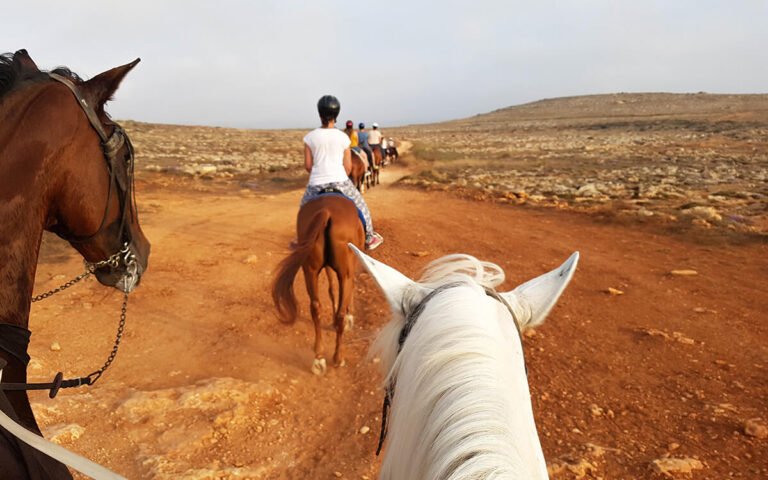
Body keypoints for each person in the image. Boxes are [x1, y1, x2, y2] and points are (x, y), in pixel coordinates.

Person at [301, 96, 383, 250]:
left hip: (316, 184)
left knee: (303, 209)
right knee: (362, 206)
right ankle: (369, 236)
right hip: (340, 182)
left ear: (319, 114)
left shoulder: (309, 137)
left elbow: (308, 166)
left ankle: (301, 239)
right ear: (336, 115)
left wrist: (318, 173)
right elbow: (348, 167)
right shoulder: (343, 137)